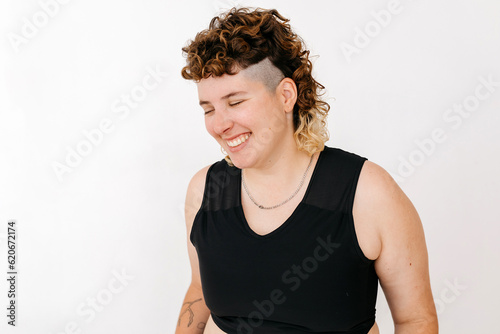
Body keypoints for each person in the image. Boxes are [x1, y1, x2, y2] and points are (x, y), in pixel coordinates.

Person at [176, 7, 438, 334]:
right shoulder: (204, 191)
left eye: (235, 102)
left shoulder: (369, 193)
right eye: (208, 109)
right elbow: (200, 290)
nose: (219, 124)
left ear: (286, 95)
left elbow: (416, 321)